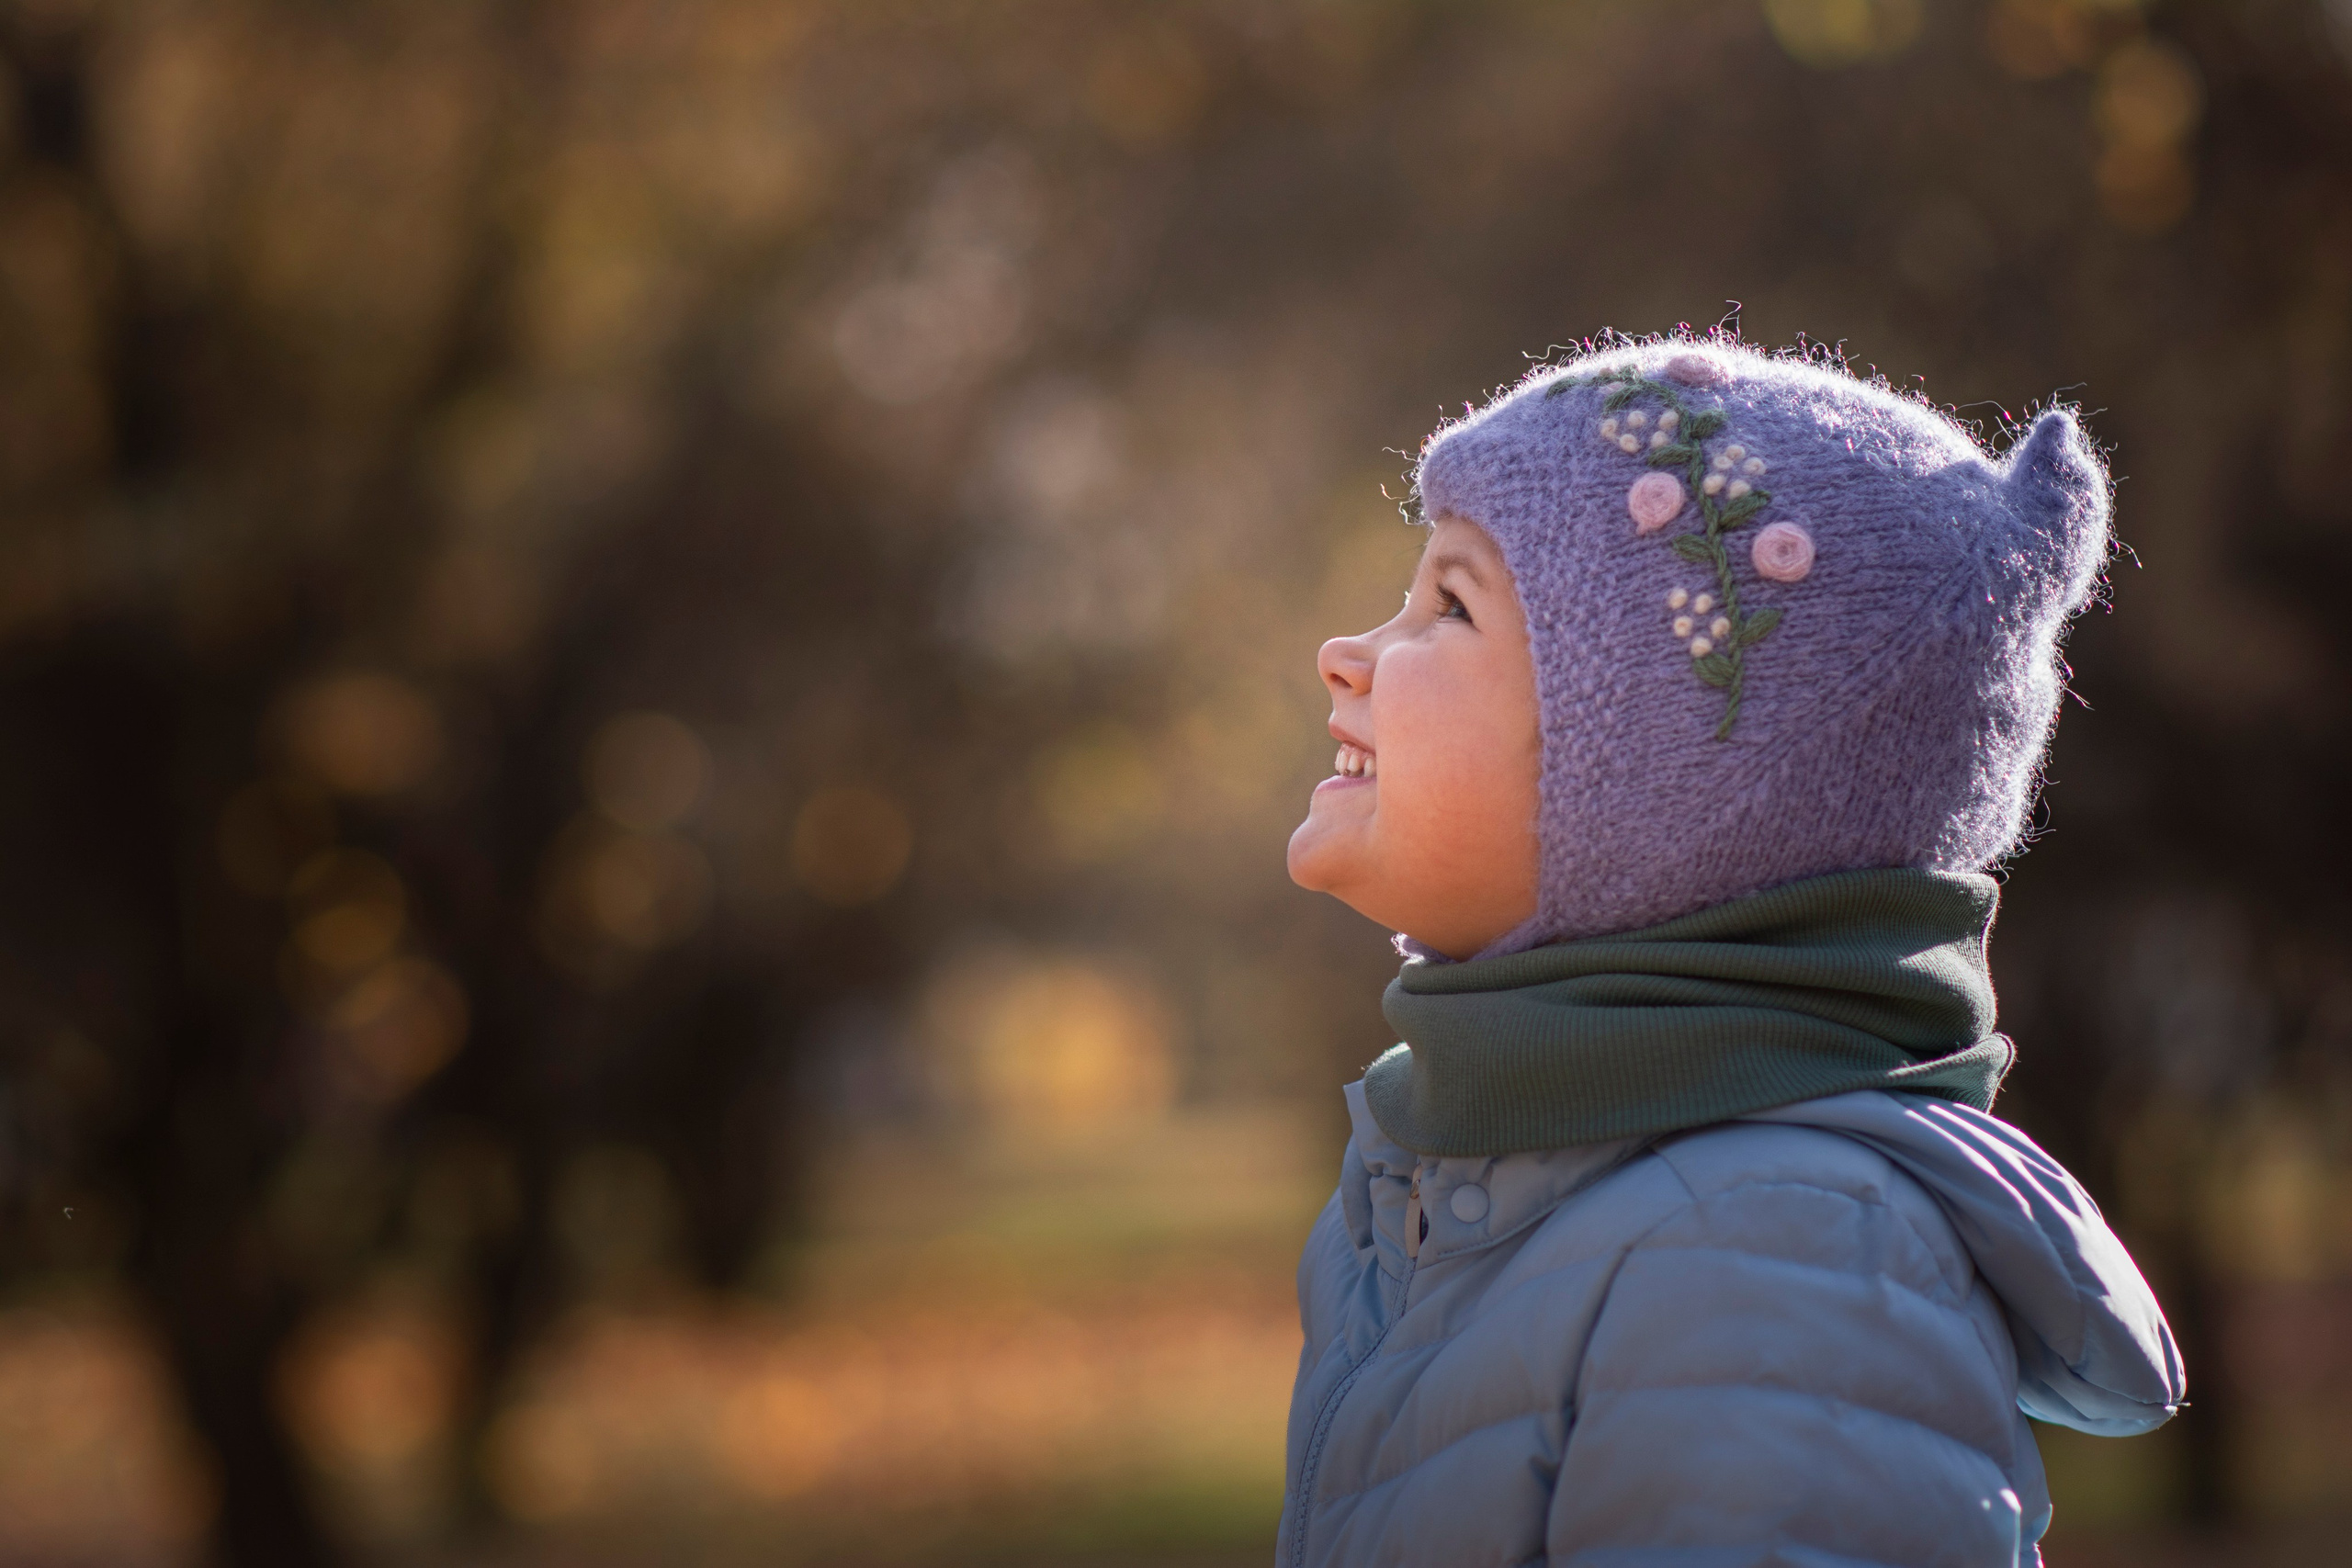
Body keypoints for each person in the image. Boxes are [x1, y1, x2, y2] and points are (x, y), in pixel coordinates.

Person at [1278, 339, 2183, 1567]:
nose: (1349, 654)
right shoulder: (1454, 1190)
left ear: (1657, 798)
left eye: (1450, 605)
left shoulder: (1775, 1256)